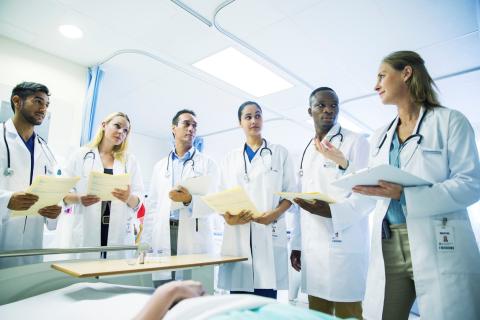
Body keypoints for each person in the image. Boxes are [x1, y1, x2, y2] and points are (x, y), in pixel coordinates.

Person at [353, 51, 480, 319]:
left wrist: (406, 195)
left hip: (435, 238)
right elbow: (376, 189)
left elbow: (470, 184)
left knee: (445, 313)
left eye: (381, 76)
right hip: (388, 242)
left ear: (406, 73)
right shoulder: (380, 136)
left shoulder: (450, 122)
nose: (376, 85)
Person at [289, 87, 371, 319]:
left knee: (349, 313)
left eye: (333, 105)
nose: (328, 110)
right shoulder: (307, 150)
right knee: (317, 314)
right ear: (310, 110)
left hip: (344, 245)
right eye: (321, 105)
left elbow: (367, 196)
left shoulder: (356, 142)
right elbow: (300, 203)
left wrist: (333, 212)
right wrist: (297, 244)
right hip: (313, 251)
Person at [217, 101, 296, 299]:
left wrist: (275, 214)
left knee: (265, 300)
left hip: (268, 231)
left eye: (258, 115)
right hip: (238, 234)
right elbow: (220, 195)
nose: (254, 120)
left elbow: (290, 193)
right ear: (240, 123)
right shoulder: (230, 158)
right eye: (248, 117)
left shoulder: (279, 153)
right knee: (239, 302)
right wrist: (227, 217)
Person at [142, 109, 219, 283]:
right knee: (163, 287)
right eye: (186, 124)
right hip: (163, 232)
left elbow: (214, 203)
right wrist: (146, 242)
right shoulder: (160, 166)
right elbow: (152, 206)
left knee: (190, 290)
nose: (191, 128)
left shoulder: (208, 164)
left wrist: (189, 200)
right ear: (174, 128)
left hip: (193, 233)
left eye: (194, 126)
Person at [58, 112, 144, 259]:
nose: (121, 132)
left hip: (118, 231)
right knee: (86, 274)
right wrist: (79, 198)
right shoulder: (80, 155)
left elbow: (139, 198)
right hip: (87, 226)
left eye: (125, 130)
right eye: (117, 126)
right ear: (104, 125)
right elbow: (62, 191)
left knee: (112, 276)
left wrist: (128, 197)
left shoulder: (130, 161)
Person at [0, 82, 61, 267]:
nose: (44, 109)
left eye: (46, 105)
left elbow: (52, 191)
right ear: (17, 101)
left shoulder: (46, 150)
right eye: (37, 101)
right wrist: (6, 200)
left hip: (31, 246)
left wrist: (53, 211)